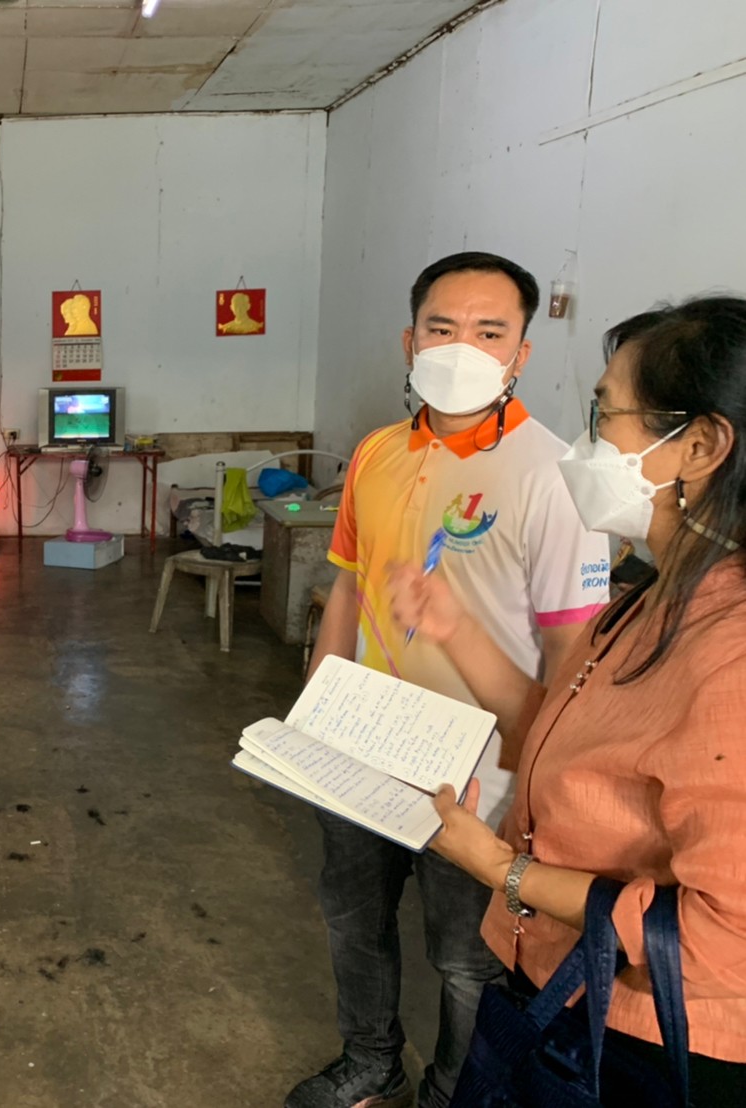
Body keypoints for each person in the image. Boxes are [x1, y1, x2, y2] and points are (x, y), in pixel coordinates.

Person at [392, 296, 746, 1104]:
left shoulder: (730, 653)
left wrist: (501, 869)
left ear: (698, 446)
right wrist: (452, 627)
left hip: (646, 1040)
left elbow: (726, 938)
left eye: (604, 413)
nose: (586, 444)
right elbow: (558, 725)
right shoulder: (651, 599)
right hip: (562, 990)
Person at [292, 252, 612, 1108]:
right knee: (354, 921)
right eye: (441, 327)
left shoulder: (555, 478)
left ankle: (452, 1092)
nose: (461, 347)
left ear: (521, 354)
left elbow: (571, 663)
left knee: (468, 956)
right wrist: (314, 714)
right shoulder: (376, 453)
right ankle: (371, 1062)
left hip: (479, 772)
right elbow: (349, 587)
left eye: (488, 331)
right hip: (361, 741)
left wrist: (531, 787)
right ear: (410, 341)